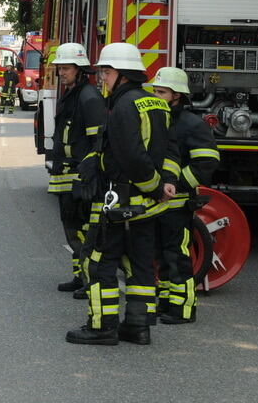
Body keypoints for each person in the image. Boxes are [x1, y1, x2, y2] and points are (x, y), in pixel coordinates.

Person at [67, 42, 174, 347]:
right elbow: (169, 150)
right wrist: (164, 183)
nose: (102, 77)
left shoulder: (124, 106)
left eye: (106, 71)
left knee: (99, 262)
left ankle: (102, 327)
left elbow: (131, 155)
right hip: (148, 206)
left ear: (121, 74)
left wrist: (152, 185)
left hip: (121, 199)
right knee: (141, 264)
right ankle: (138, 327)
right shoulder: (157, 103)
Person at [149, 67, 220, 325]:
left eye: (161, 91)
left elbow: (207, 163)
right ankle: (167, 303)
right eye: (155, 91)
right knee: (162, 255)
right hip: (158, 201)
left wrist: (176, 187)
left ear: (177, 95)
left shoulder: (192, 125)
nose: (156, 96)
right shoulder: (159, 118)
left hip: (177, 203)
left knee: (178, 256)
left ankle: (185, 309)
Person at [46, 43, 103, 295]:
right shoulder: (71, 94)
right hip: (65, 174)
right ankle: (80, 277)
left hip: (79, 176)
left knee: (82, 230)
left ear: (80, 70)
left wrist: (88, 176)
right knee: (72, 228)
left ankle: (91, 281)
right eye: (59, 68)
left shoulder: (89, 98)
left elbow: (98, 142)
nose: (61, 73)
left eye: (66, 68)